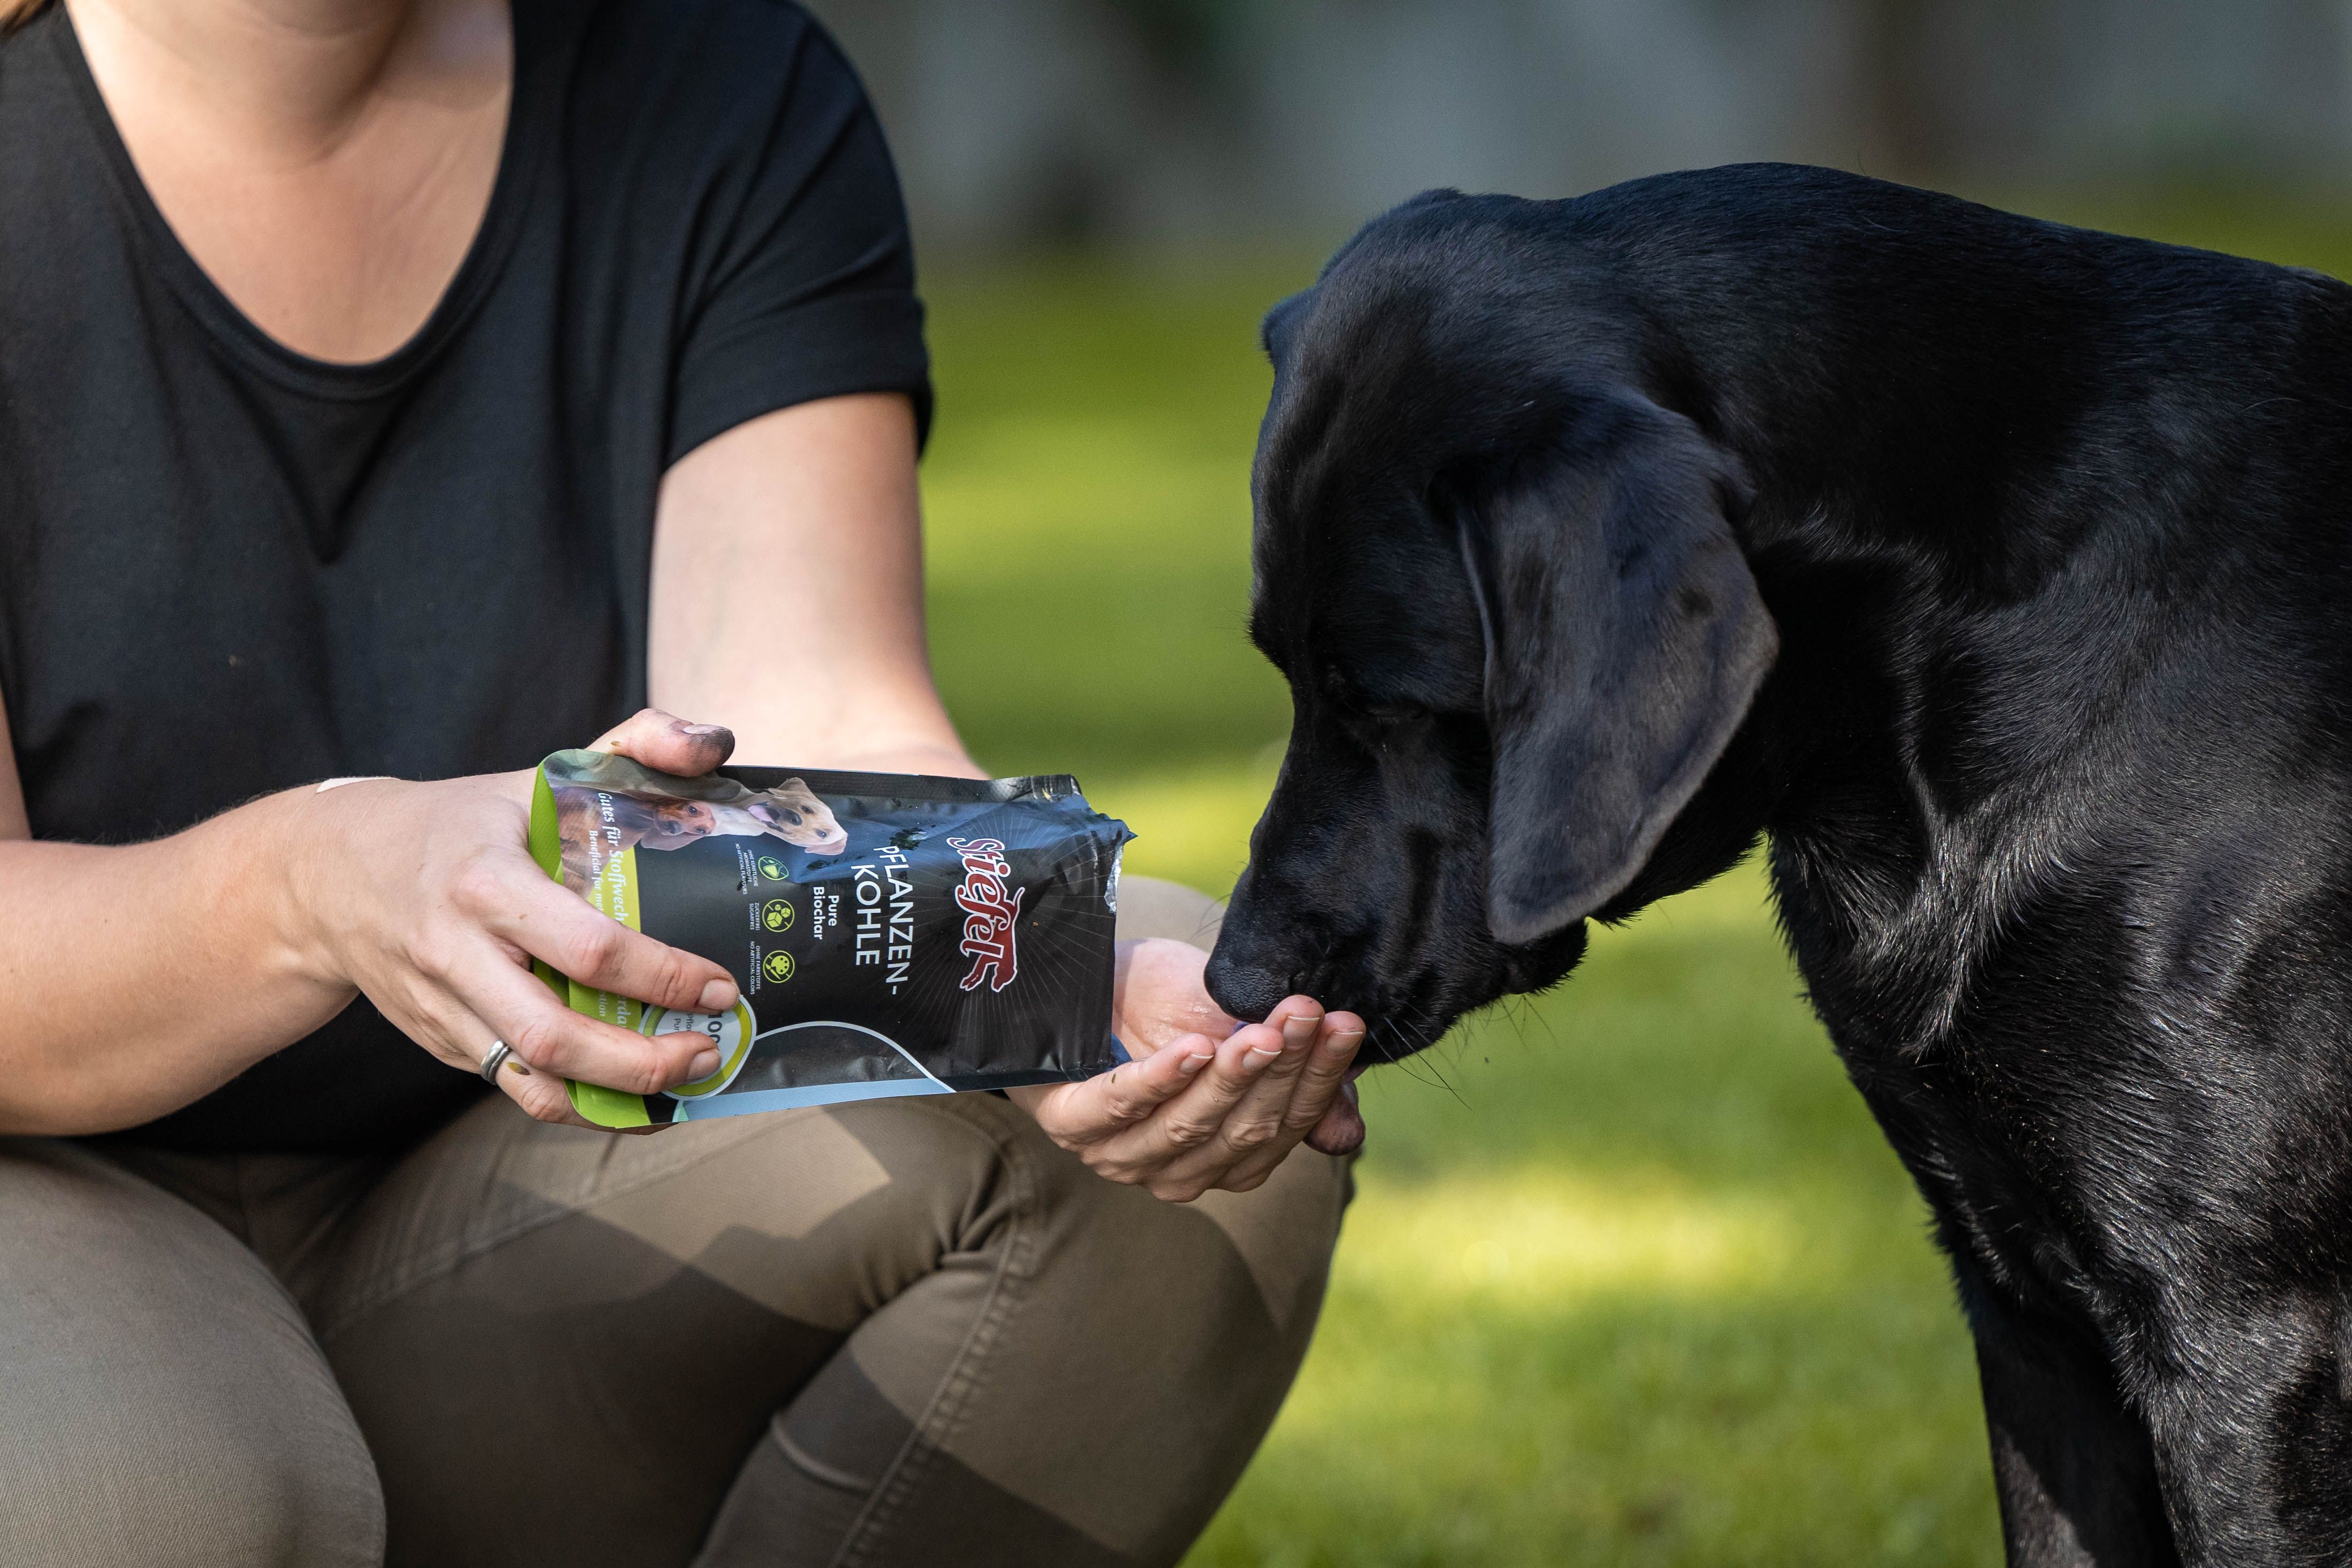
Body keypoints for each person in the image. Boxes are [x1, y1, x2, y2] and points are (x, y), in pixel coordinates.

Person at [0, 0, 1369, 1564]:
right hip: (46, 1197)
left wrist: (1045, 989)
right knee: (144, 1509)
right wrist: (318, 880)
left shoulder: (715, 82)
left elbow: (811, 713)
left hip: (527, 1186)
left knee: (1147, 1040)